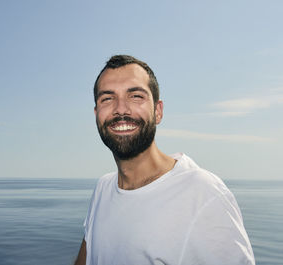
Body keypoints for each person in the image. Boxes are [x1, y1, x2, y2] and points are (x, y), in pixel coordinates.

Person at [74, 55, 255, 265]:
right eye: (107, 98)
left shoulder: (203, 194)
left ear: (158, 111)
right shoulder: (103, 188)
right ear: (96, 114)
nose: (121, 109)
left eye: (135, 96)